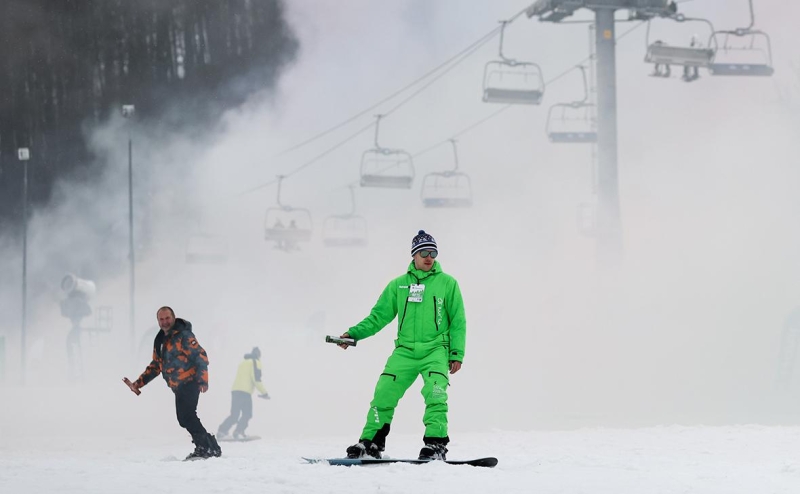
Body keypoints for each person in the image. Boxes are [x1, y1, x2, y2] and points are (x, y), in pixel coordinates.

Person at [337, 230, 466, 461]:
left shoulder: (448, 284)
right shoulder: (398, 285)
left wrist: (456, 353)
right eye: (424, 252)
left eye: (433, 253)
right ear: (414, 255)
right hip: (404, 352)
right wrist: (353, 334)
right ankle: (371, 443)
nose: (429, 257)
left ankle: (436, 445)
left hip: (436, 350)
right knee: (384, 393)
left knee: (436, 394)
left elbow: (458, 321)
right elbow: (378, 317)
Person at [123, 306, 221, 460]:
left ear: (174, 318)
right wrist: (138, 384)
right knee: (184, 418)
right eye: (161, 319)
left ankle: (206, 448)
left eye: (167, 318)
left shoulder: (184, 336)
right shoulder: (160, 341)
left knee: (187, 416)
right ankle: (210, 446)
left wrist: (203, 380)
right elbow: (156, 366)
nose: (165, 322)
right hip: (178, 386)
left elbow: (201, 356)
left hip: (191, 381)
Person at [217, 347, 270, 440]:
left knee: (234, 414)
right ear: (258, 355)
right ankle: (239, 432)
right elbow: (256, 379)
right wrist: (264, 393)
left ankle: (222, 431)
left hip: (235, 390)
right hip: (245, 392)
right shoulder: (255, 362)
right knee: (247, 414)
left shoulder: (243, 363)